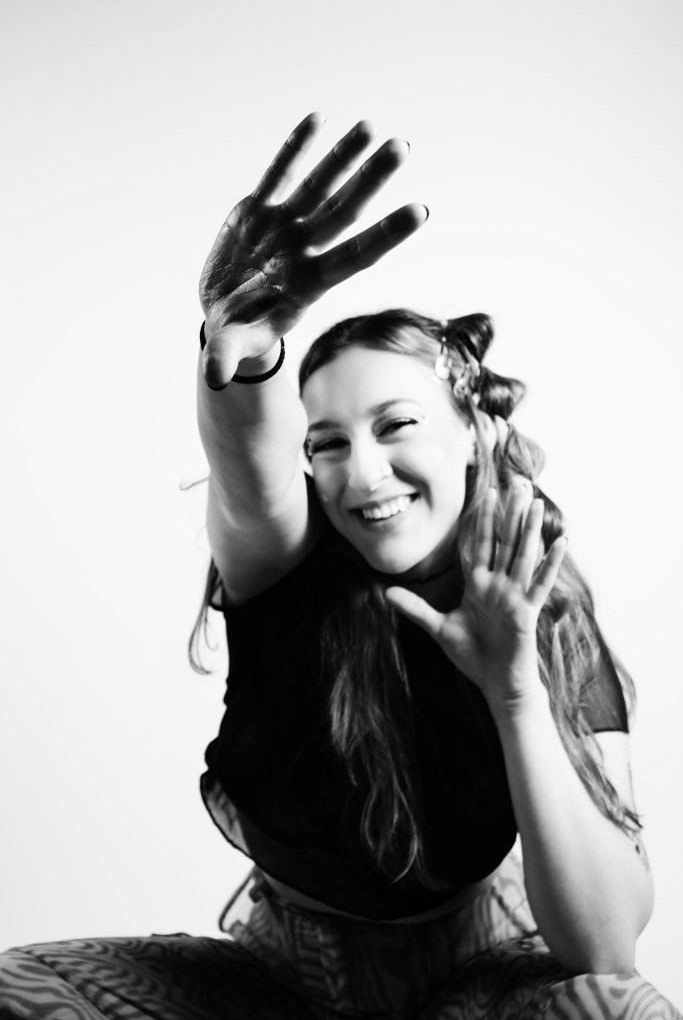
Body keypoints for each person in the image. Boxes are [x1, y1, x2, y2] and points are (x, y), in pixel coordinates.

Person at [0, 114, 679, 1020]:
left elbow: (602, 951)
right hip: (278, 986)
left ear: (471, 435)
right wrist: (243, 348)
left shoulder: (542, 614)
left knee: (622, 1012)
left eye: (395, 425)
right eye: (326, 443)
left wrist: (513, 691)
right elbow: (250, 472)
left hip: (476, 983)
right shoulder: (286, 564)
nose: (361, 476)